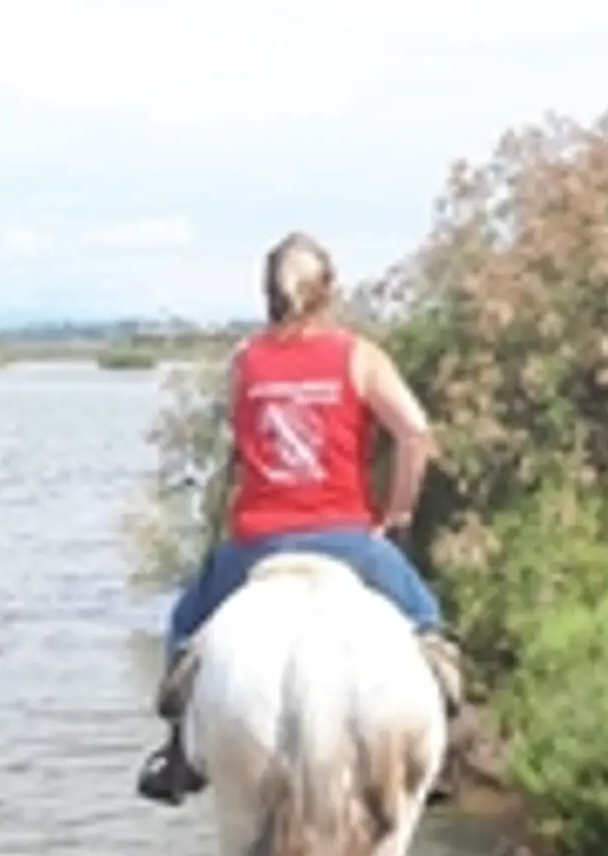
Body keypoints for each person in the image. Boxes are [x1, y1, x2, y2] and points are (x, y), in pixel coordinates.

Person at [137, 231, 465, 806]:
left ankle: (177, 759)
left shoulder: (246, 360)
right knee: (426, 622)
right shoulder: (359, 355)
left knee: (184, 625)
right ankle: (437, 756)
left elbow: (241, 441)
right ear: (328, 290)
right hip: (347, 539)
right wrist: (400, 510)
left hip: (257, 542)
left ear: (268, 293)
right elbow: (414, 431)